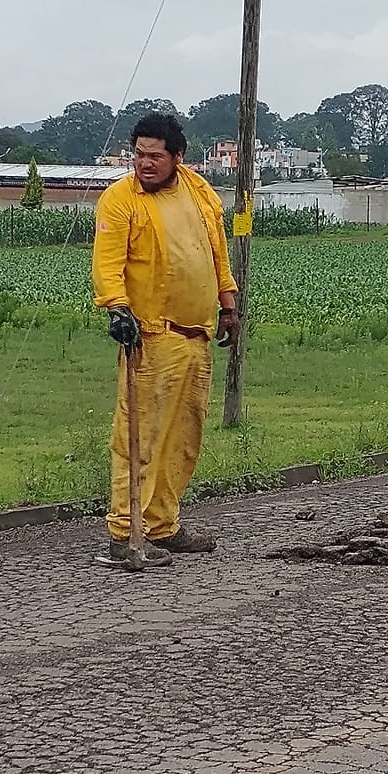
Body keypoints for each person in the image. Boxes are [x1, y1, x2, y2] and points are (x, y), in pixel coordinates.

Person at [91, 111, 239, 567]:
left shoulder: (198, 190)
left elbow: (216, 250)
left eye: (155, 156)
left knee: (183, 437)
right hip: (152, 337)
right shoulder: (120, 200)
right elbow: (107, 262)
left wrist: (229, 304)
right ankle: (125, 532)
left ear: (178, 156)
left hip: (196, 335)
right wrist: (116, 307)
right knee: (140, 436)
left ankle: (161, 525)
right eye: (138, 154)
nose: (144, 164)